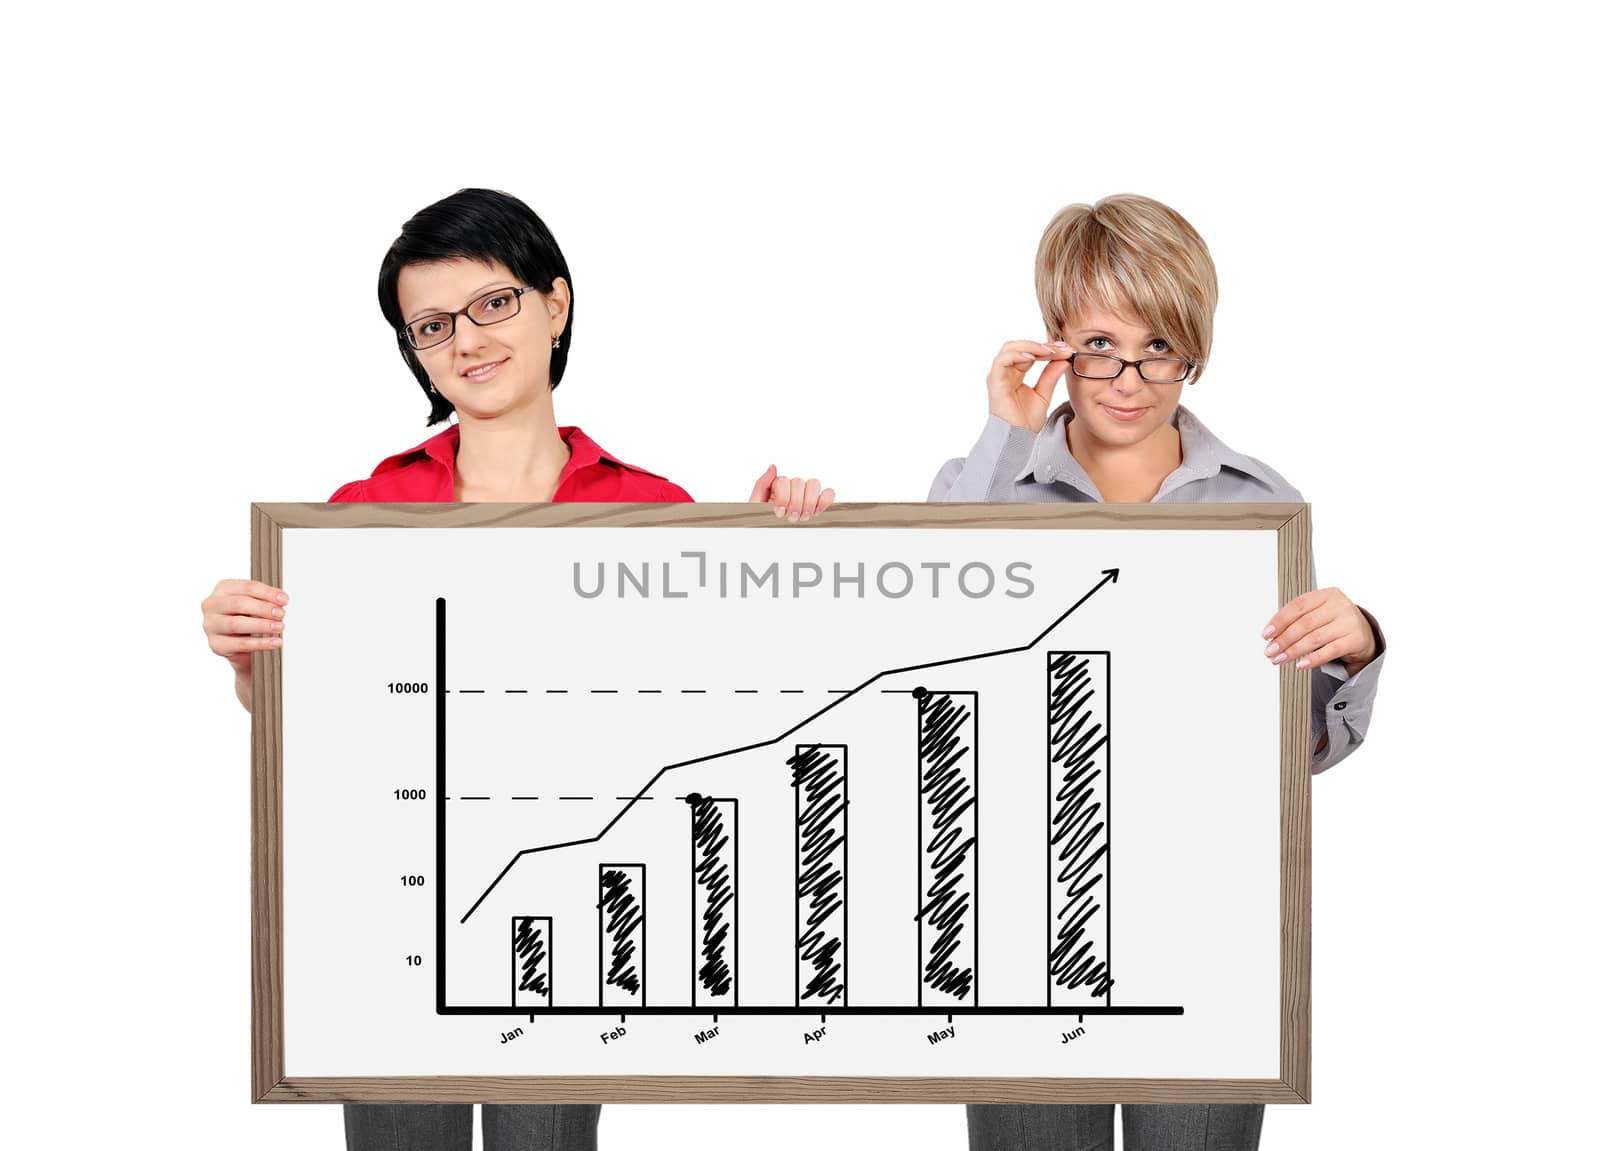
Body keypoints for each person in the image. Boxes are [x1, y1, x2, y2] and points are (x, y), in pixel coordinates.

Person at [201, 188, 835, 1150]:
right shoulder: (361, 512)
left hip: (569, 904)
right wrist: (251, 656)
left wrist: (768, 554)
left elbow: (712, 718)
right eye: (432, 325)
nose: (467, 341)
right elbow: (318, 725)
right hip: (392, 909)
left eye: (493, 303)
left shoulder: (650, 510)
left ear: (555, 304)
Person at [929, 193, 1387, 1151]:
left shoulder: (1261, 503)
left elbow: (1288, 750)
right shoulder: (982, 480)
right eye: (1098, 343)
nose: (1129, 378)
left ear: (1196, 352)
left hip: (1205, 924)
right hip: (1015, 919)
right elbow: (933, 664)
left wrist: (1354, 649)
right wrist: (1005, 435)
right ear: (1055, 341)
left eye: (1159, 347)